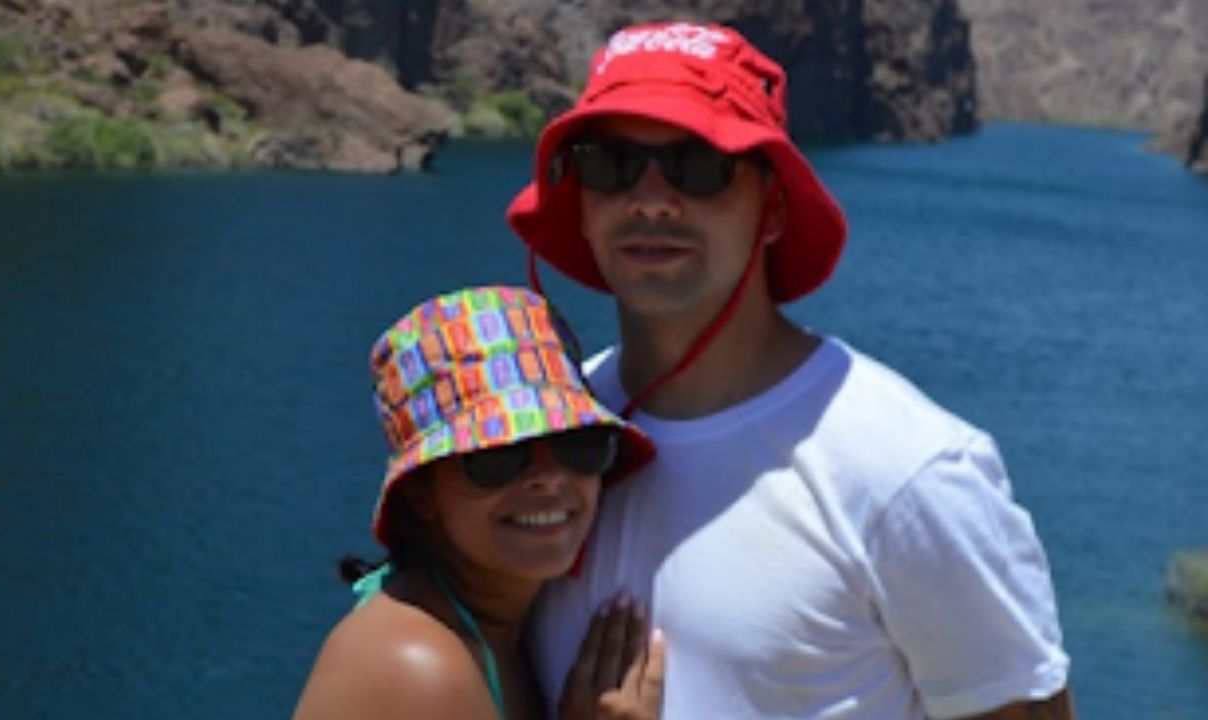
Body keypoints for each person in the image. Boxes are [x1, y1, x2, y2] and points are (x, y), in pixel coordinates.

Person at [505, 21, 1075, 720]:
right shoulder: (551, 440)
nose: (650, 199)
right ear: (582, 206)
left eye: (697, 164)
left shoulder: (905, 474)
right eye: (609, 164)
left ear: (773, 209)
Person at [291, 285, 665, 720]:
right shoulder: (417, 668)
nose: (547, 478)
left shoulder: (500, 630)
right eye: (497, 458)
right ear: (420, 495)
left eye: (576, 444)